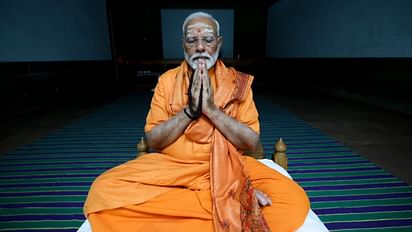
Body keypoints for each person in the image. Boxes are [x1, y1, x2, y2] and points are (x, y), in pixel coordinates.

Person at [84, 11, 309, 231]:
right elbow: (153, 141)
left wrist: (212, 110)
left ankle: (207, 202)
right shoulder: (167, 81)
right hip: (173, 167)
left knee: (292, 200)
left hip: (230, 168)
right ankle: (223, 203)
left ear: (219, 43)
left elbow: (251, 142)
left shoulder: (237, 83)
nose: (200, 47)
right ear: (184, 44)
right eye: (192, 40)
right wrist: (190, 111)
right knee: (103, 189)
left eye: (208, 39)